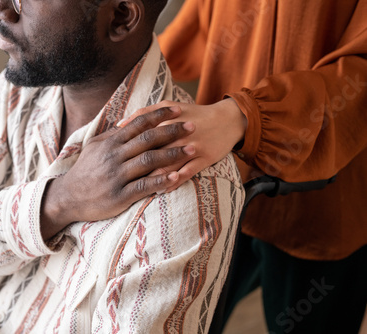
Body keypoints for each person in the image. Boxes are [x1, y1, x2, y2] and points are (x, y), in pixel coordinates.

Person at [0, 0, 244, 332]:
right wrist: (58, 201)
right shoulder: (16, 95)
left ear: (121, 16)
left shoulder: (184, 192)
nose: (1, 8)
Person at [120, 0, 367, 332]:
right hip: (224, 190)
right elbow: (201, 22)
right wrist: (124, 74)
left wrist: (244, 117)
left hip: (325, 207)